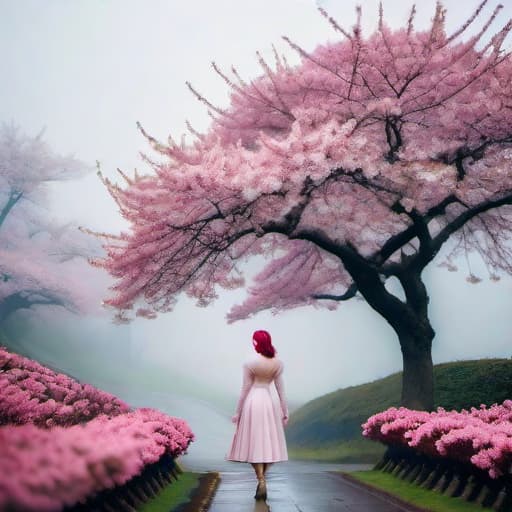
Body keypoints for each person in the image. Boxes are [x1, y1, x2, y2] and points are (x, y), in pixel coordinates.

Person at [226, 330, 289, 501]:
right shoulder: (277, 363)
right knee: (268, 444)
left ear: (255, 343)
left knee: (254, 444)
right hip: (268, 402)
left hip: (253, 402)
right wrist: (285, 410)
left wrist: (237, 412)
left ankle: (261, 480)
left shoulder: (250, 362)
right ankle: (263, 479)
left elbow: (245, 388)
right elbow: (280, 388)